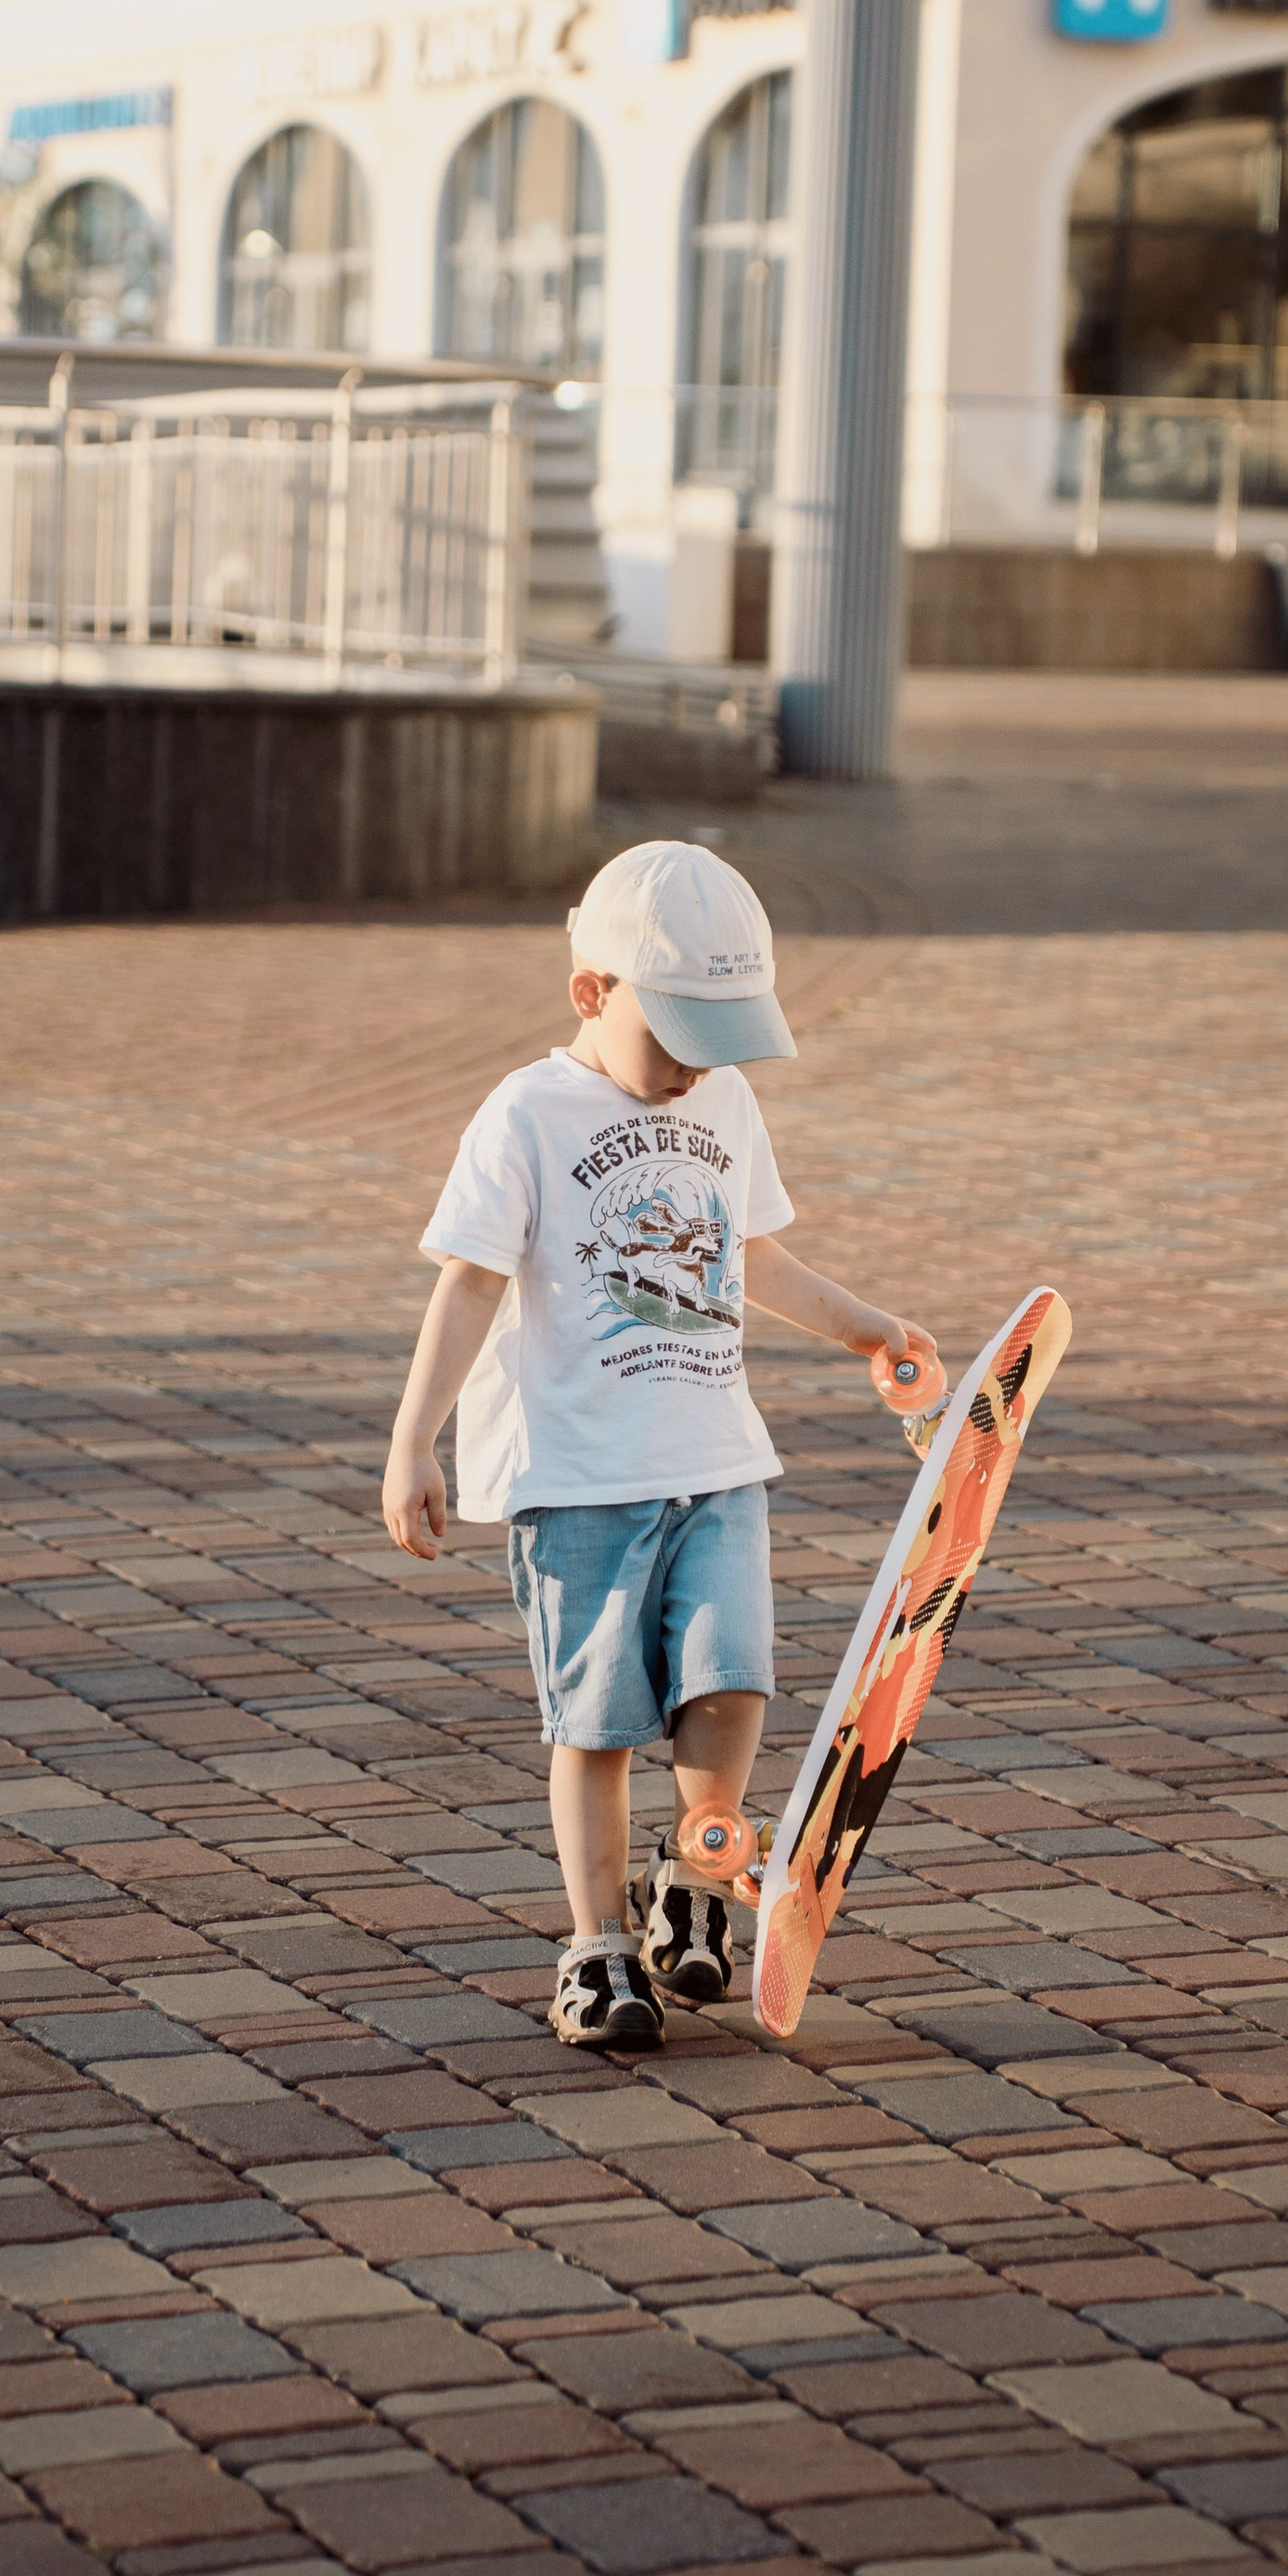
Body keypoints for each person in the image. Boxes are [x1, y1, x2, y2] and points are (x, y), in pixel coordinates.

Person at [380, 840, 939, 2052]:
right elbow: (470, 1284)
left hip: (716, 1461)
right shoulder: (527, 1113)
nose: (694, 1064)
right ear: (592, 992)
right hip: (579, 1480)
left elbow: (752, 1252)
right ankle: (595, 1946)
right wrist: (414, 1440)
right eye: (675, 1032)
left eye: (717, 1036)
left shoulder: (723, 1101)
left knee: (731, 1682)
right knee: (594, 1728)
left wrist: (864, 1328)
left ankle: (692, 1883)